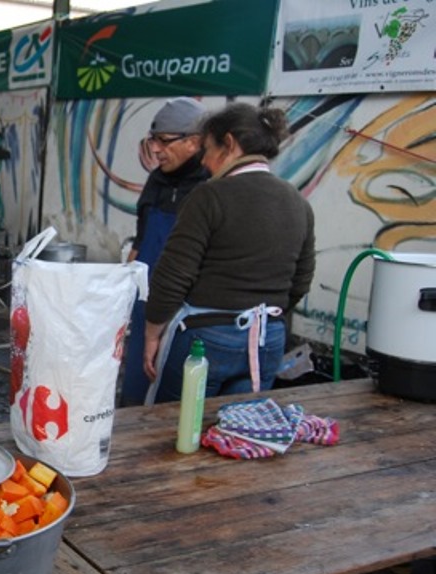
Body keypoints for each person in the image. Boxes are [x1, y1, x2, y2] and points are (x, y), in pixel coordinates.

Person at [142, 103, 316, 404]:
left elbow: (172, 276)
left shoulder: (209, 196)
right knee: (238, 434)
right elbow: (301, 279)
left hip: (206, 340)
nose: (206, 162)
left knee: (173, 429)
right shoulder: (297, 202)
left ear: (230, 144)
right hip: (267, 340)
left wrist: (152, 333)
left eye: (208, 149)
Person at [120, 97, 210, 407]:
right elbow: (141, 242)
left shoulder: (211, 188)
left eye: (164, 141)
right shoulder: (156, 181)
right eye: (152, 139)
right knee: (134, 393)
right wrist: (120, 295)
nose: (155, 149)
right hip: (146, 304)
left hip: (188, 309)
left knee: (175, 400)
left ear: (194, 142)